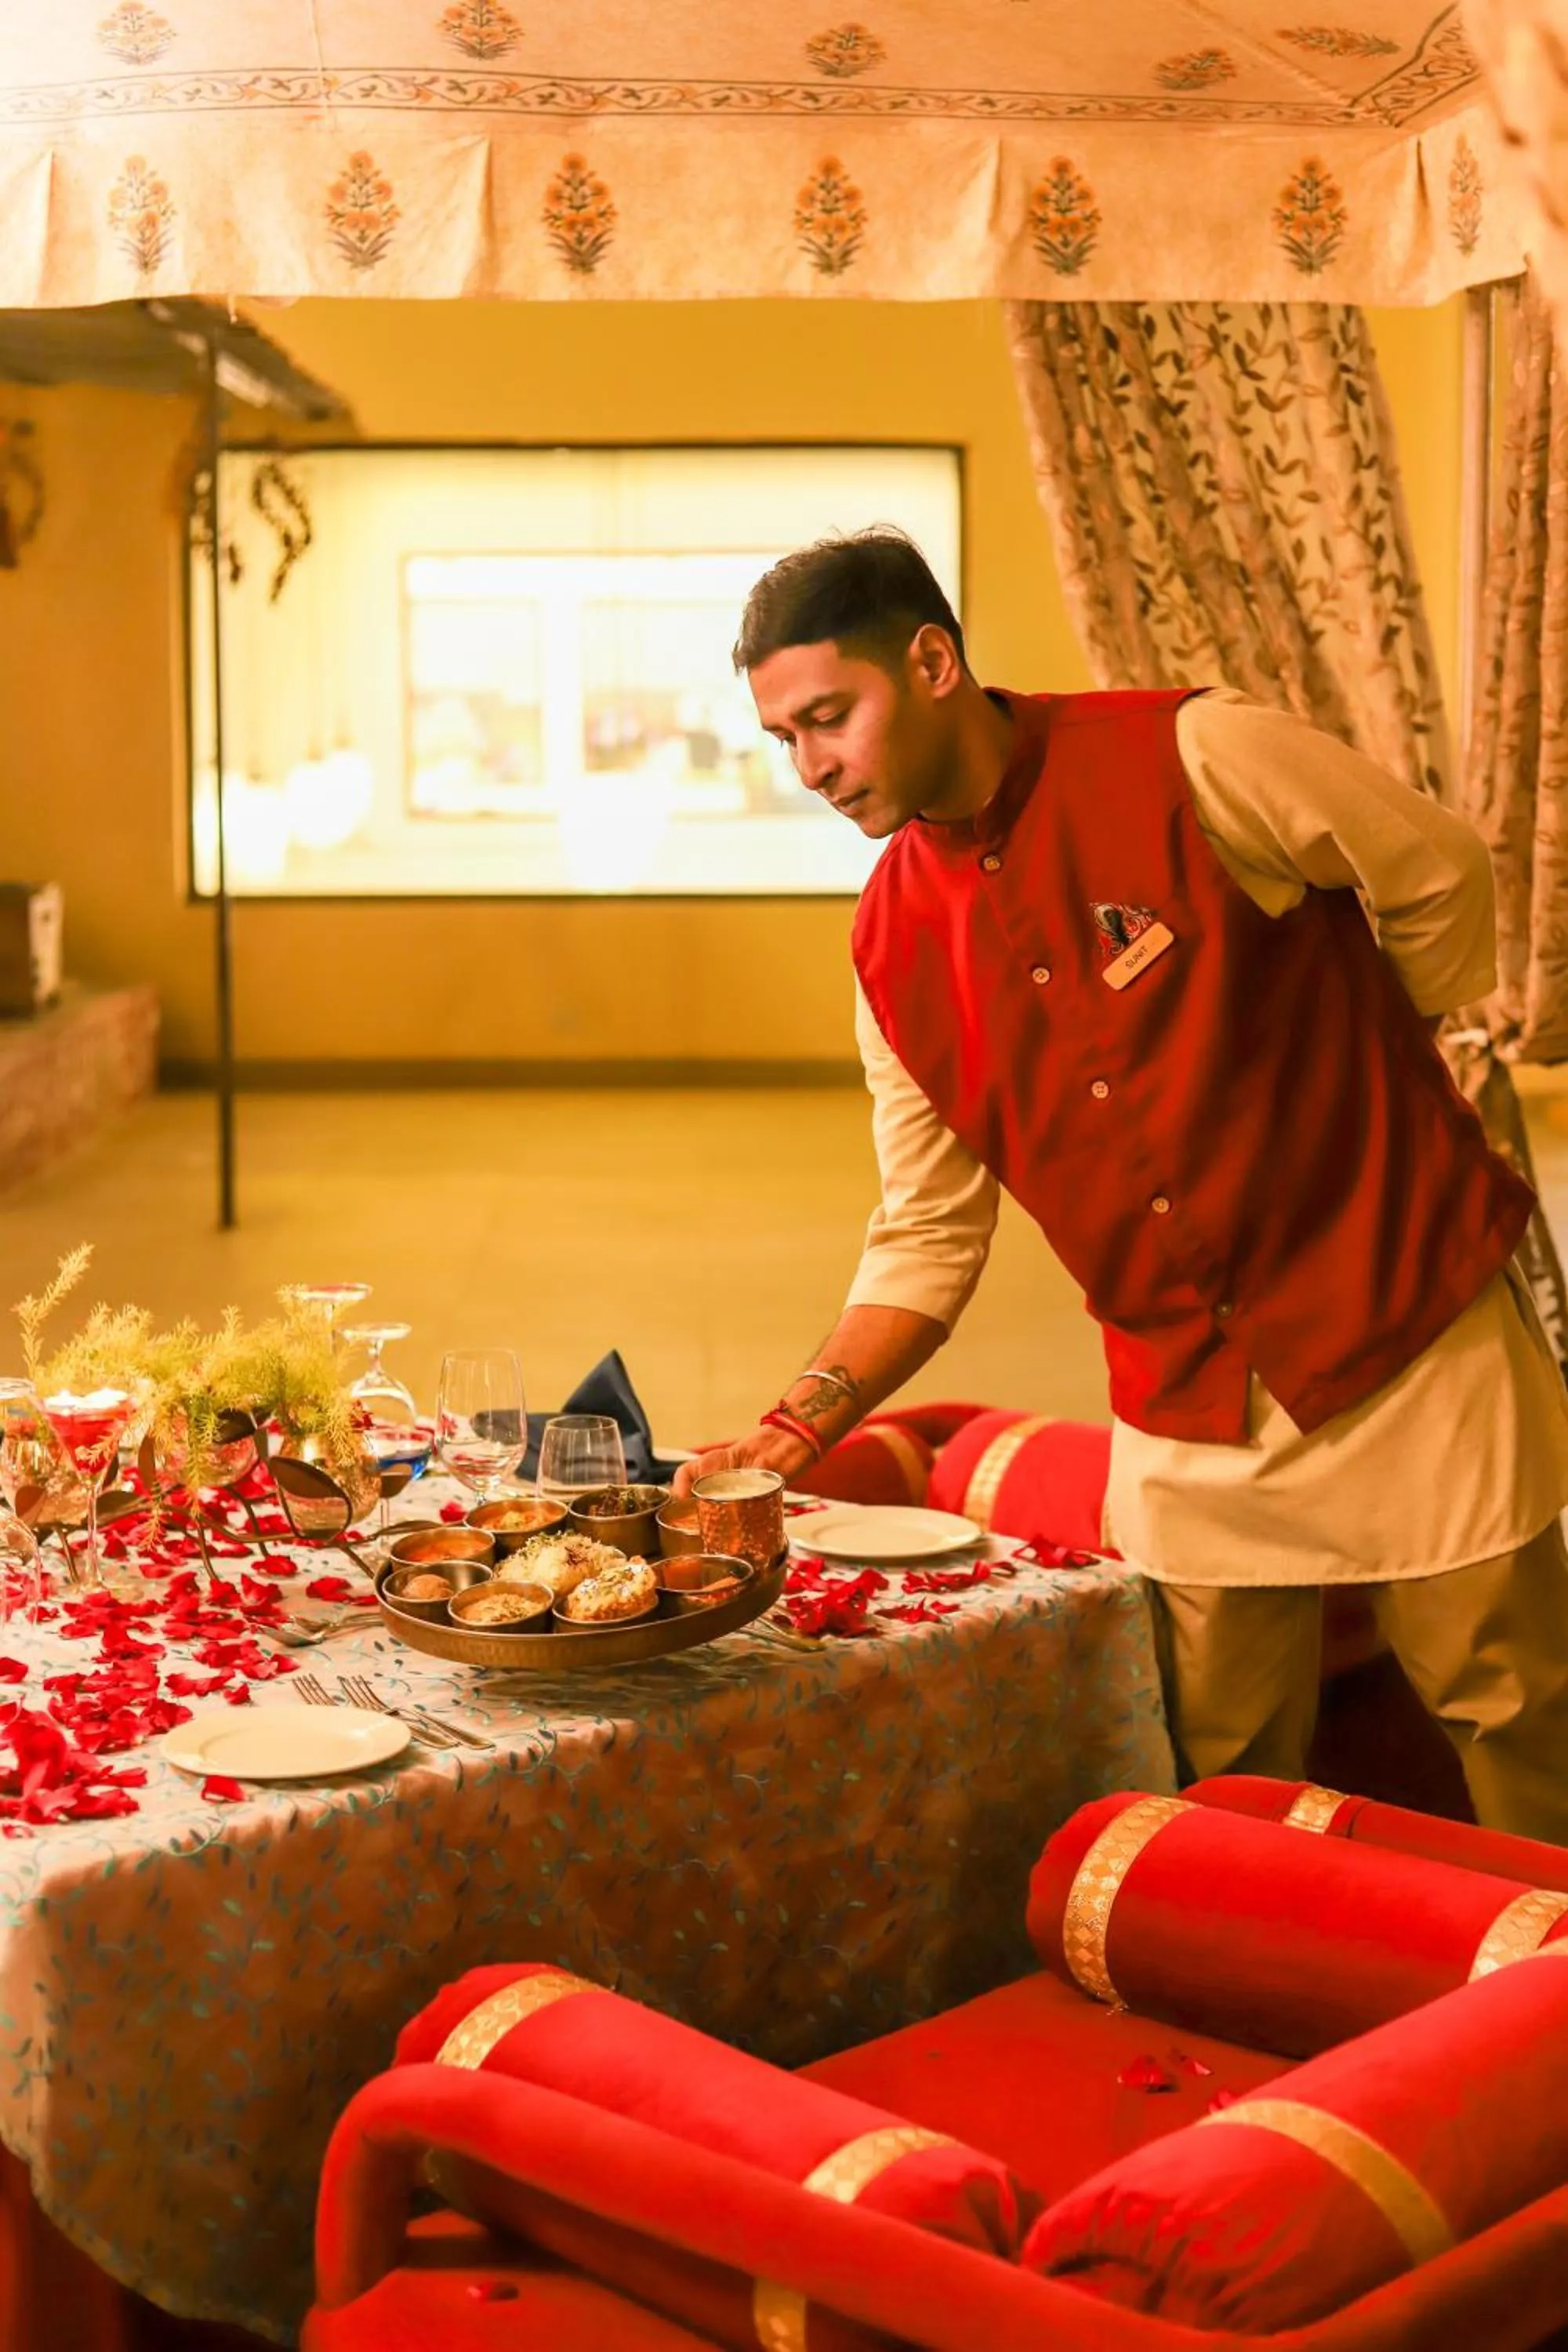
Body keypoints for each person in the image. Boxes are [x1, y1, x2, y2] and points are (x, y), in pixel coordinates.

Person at [676, 527, 1568, 1843]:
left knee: (1517, 1721)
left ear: (931, 661)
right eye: (783, 740)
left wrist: (1383, 1046)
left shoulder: (1195, 755)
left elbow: (1439, 868)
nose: (811, 767)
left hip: (1409, 1328)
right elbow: (925, 1236)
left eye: (828, 719)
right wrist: (794, 1428)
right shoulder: (890, 949)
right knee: (1214, 1774)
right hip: (1186, 1411)